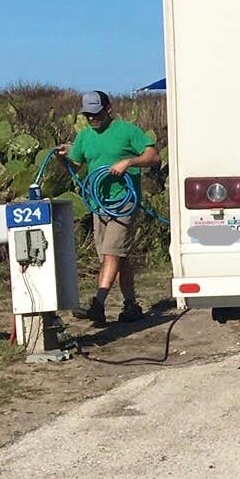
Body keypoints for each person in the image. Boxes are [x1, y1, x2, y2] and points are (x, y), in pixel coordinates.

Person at [54, 90, 159, 324]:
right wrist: (62, 159)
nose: (93, 119)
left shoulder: (127, 131)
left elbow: (154, 156)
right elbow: (77, 164)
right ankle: (130, 305)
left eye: (97, 113)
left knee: (112, 252)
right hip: (99, 205)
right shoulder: (84, 136)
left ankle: (98, 304)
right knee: (117, 257)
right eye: (88, 115)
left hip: (124, 203)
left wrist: (129, 161)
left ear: (108, 109)